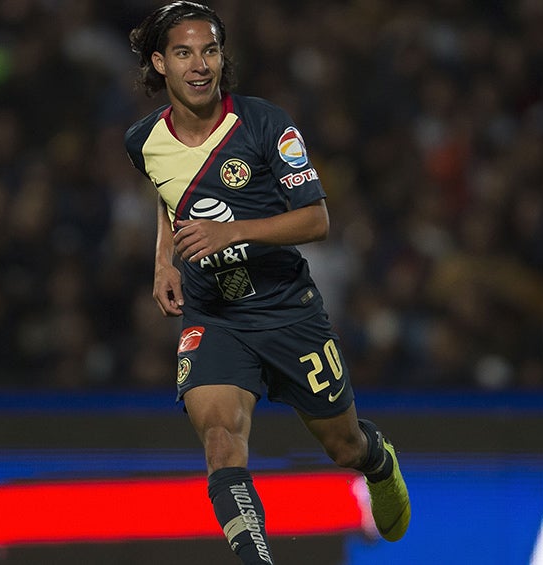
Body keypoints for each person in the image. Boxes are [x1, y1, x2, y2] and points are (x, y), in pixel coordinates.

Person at [123, 3, 410, 563]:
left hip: (286, 309)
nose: (199, 65)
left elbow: (317, 220)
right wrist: (164, 260)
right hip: (215, 316)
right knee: (221, 442)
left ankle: (379, 463)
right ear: (160, 63)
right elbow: (167, 191)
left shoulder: (266, 125)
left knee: (343, 446)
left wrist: (230, 232)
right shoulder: (142, 140)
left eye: (209, 50)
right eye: (184, 53)